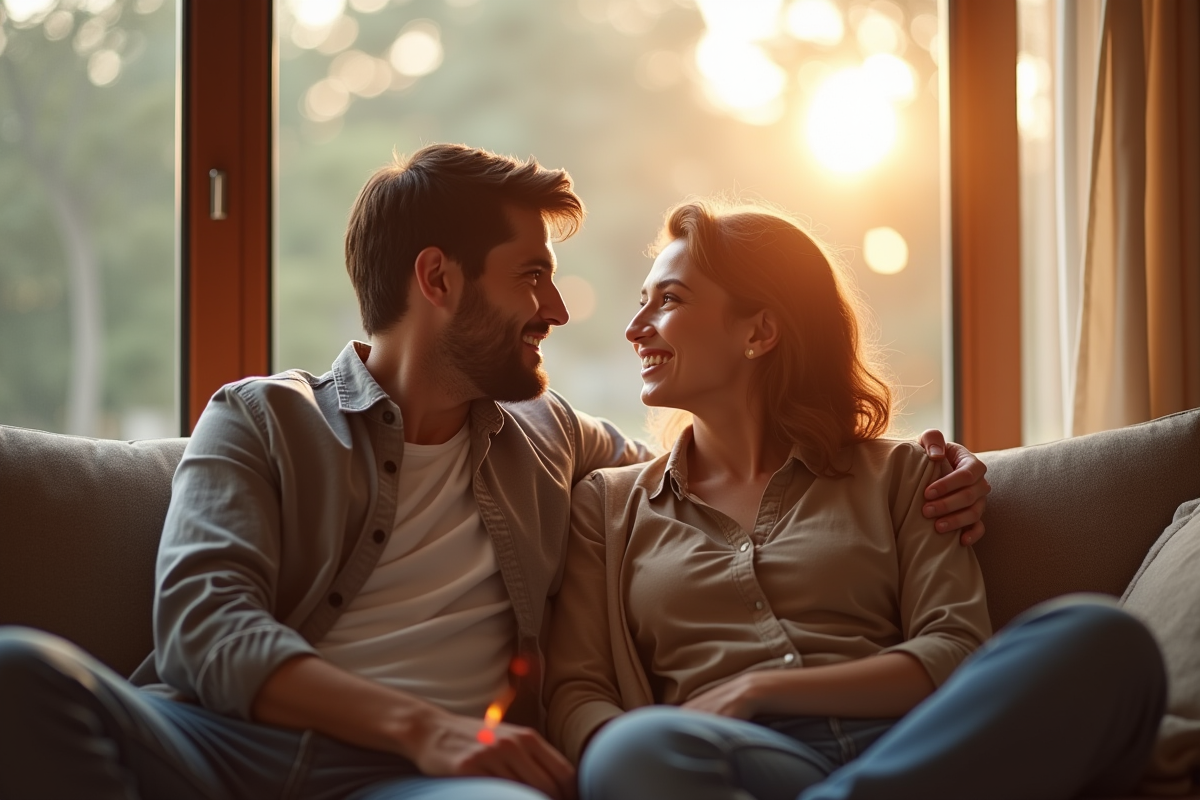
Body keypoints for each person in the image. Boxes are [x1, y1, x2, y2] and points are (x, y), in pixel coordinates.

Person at [0, 146, 989, 800]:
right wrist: (429, 726)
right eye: (532, 275)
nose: (557, 309)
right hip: (218, 743)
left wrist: (938, 470)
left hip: (424, 784)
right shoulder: (262, 416)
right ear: (437, 280)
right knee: (17, 671)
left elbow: (724, 482)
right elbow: (205, 625)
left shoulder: (559, 443)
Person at [545, 199, 1167, 800]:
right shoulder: (608, 505)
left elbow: (953, 648)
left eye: (669, 300)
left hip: (914, 745)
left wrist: (761, 689)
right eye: (641, 303)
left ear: (759, 331)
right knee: (631, 751)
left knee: (1102, 638)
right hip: (734, 759)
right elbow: (579, 694)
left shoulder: (902, 473)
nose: (634, 328)